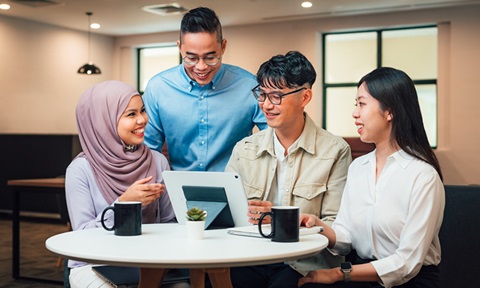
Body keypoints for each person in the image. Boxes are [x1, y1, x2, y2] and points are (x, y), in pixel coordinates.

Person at [298, 67, 445, 288]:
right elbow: (346, 237)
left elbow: (406, 263)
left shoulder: (422, 175)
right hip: (360, 273)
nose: (355, 113)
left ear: (390, 112)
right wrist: (318, 225)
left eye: (362, 104)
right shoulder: (359, 167)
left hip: (410, 281)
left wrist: (339, 273)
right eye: (355, 104)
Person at [225, 51, 352, 288]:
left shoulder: (335, 151)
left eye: (276, 96)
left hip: (303, 263)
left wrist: (280, 216)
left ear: (305, 97)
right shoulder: (244, 149)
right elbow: (226, 215)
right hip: (249, 258)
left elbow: (339, 231)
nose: (266, 105)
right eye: (262, 95)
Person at [65, 80, 185, 288]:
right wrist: (123, 204)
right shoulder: (80, 170)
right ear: (104, 121)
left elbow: (169, 222)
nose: (143, 120)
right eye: (131, 114)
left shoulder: (157, 161)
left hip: (148, 263)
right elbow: (82, 237)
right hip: (95, 263)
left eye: (143, 111)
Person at [143, 6, 267, 172]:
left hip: (237, 186)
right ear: (179, 47)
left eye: (210, 57)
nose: (201, 67)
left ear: (223, 47)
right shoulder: (158, 88)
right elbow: (148, 149)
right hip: (178, 188)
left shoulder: (249, 85)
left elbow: (273, 138)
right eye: (191, 58)